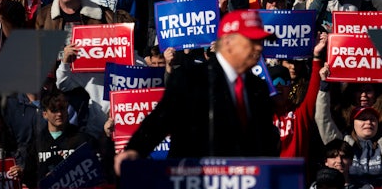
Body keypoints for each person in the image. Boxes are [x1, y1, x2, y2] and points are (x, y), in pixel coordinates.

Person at [115, 9, 280, 174]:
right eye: (252, 40)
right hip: (195, 178)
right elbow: (161, 119)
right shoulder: (191, 79)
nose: (259, 47)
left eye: (262, 41)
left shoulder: (258, 87)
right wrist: (134, 150)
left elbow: (265, 141)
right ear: (228, 43)